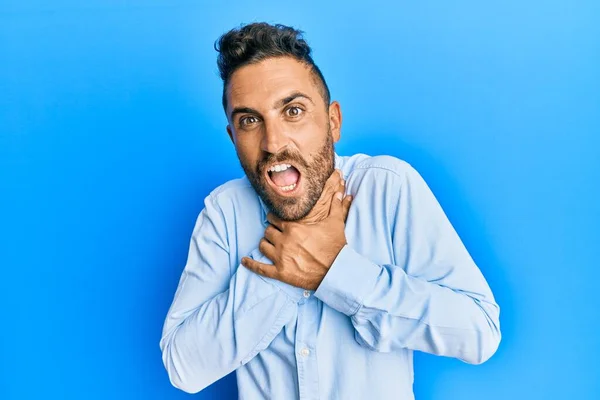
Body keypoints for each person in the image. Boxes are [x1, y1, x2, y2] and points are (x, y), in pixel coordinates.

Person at [159, 22, 501, 399]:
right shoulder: (224, 212)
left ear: (332, 121)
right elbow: (183, 367)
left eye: (293, 111)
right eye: (250, 121)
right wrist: (282, 269)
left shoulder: (387, 187)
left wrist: (337, 273)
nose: (273, 143)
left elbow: (479, 331)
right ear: (233, 137)